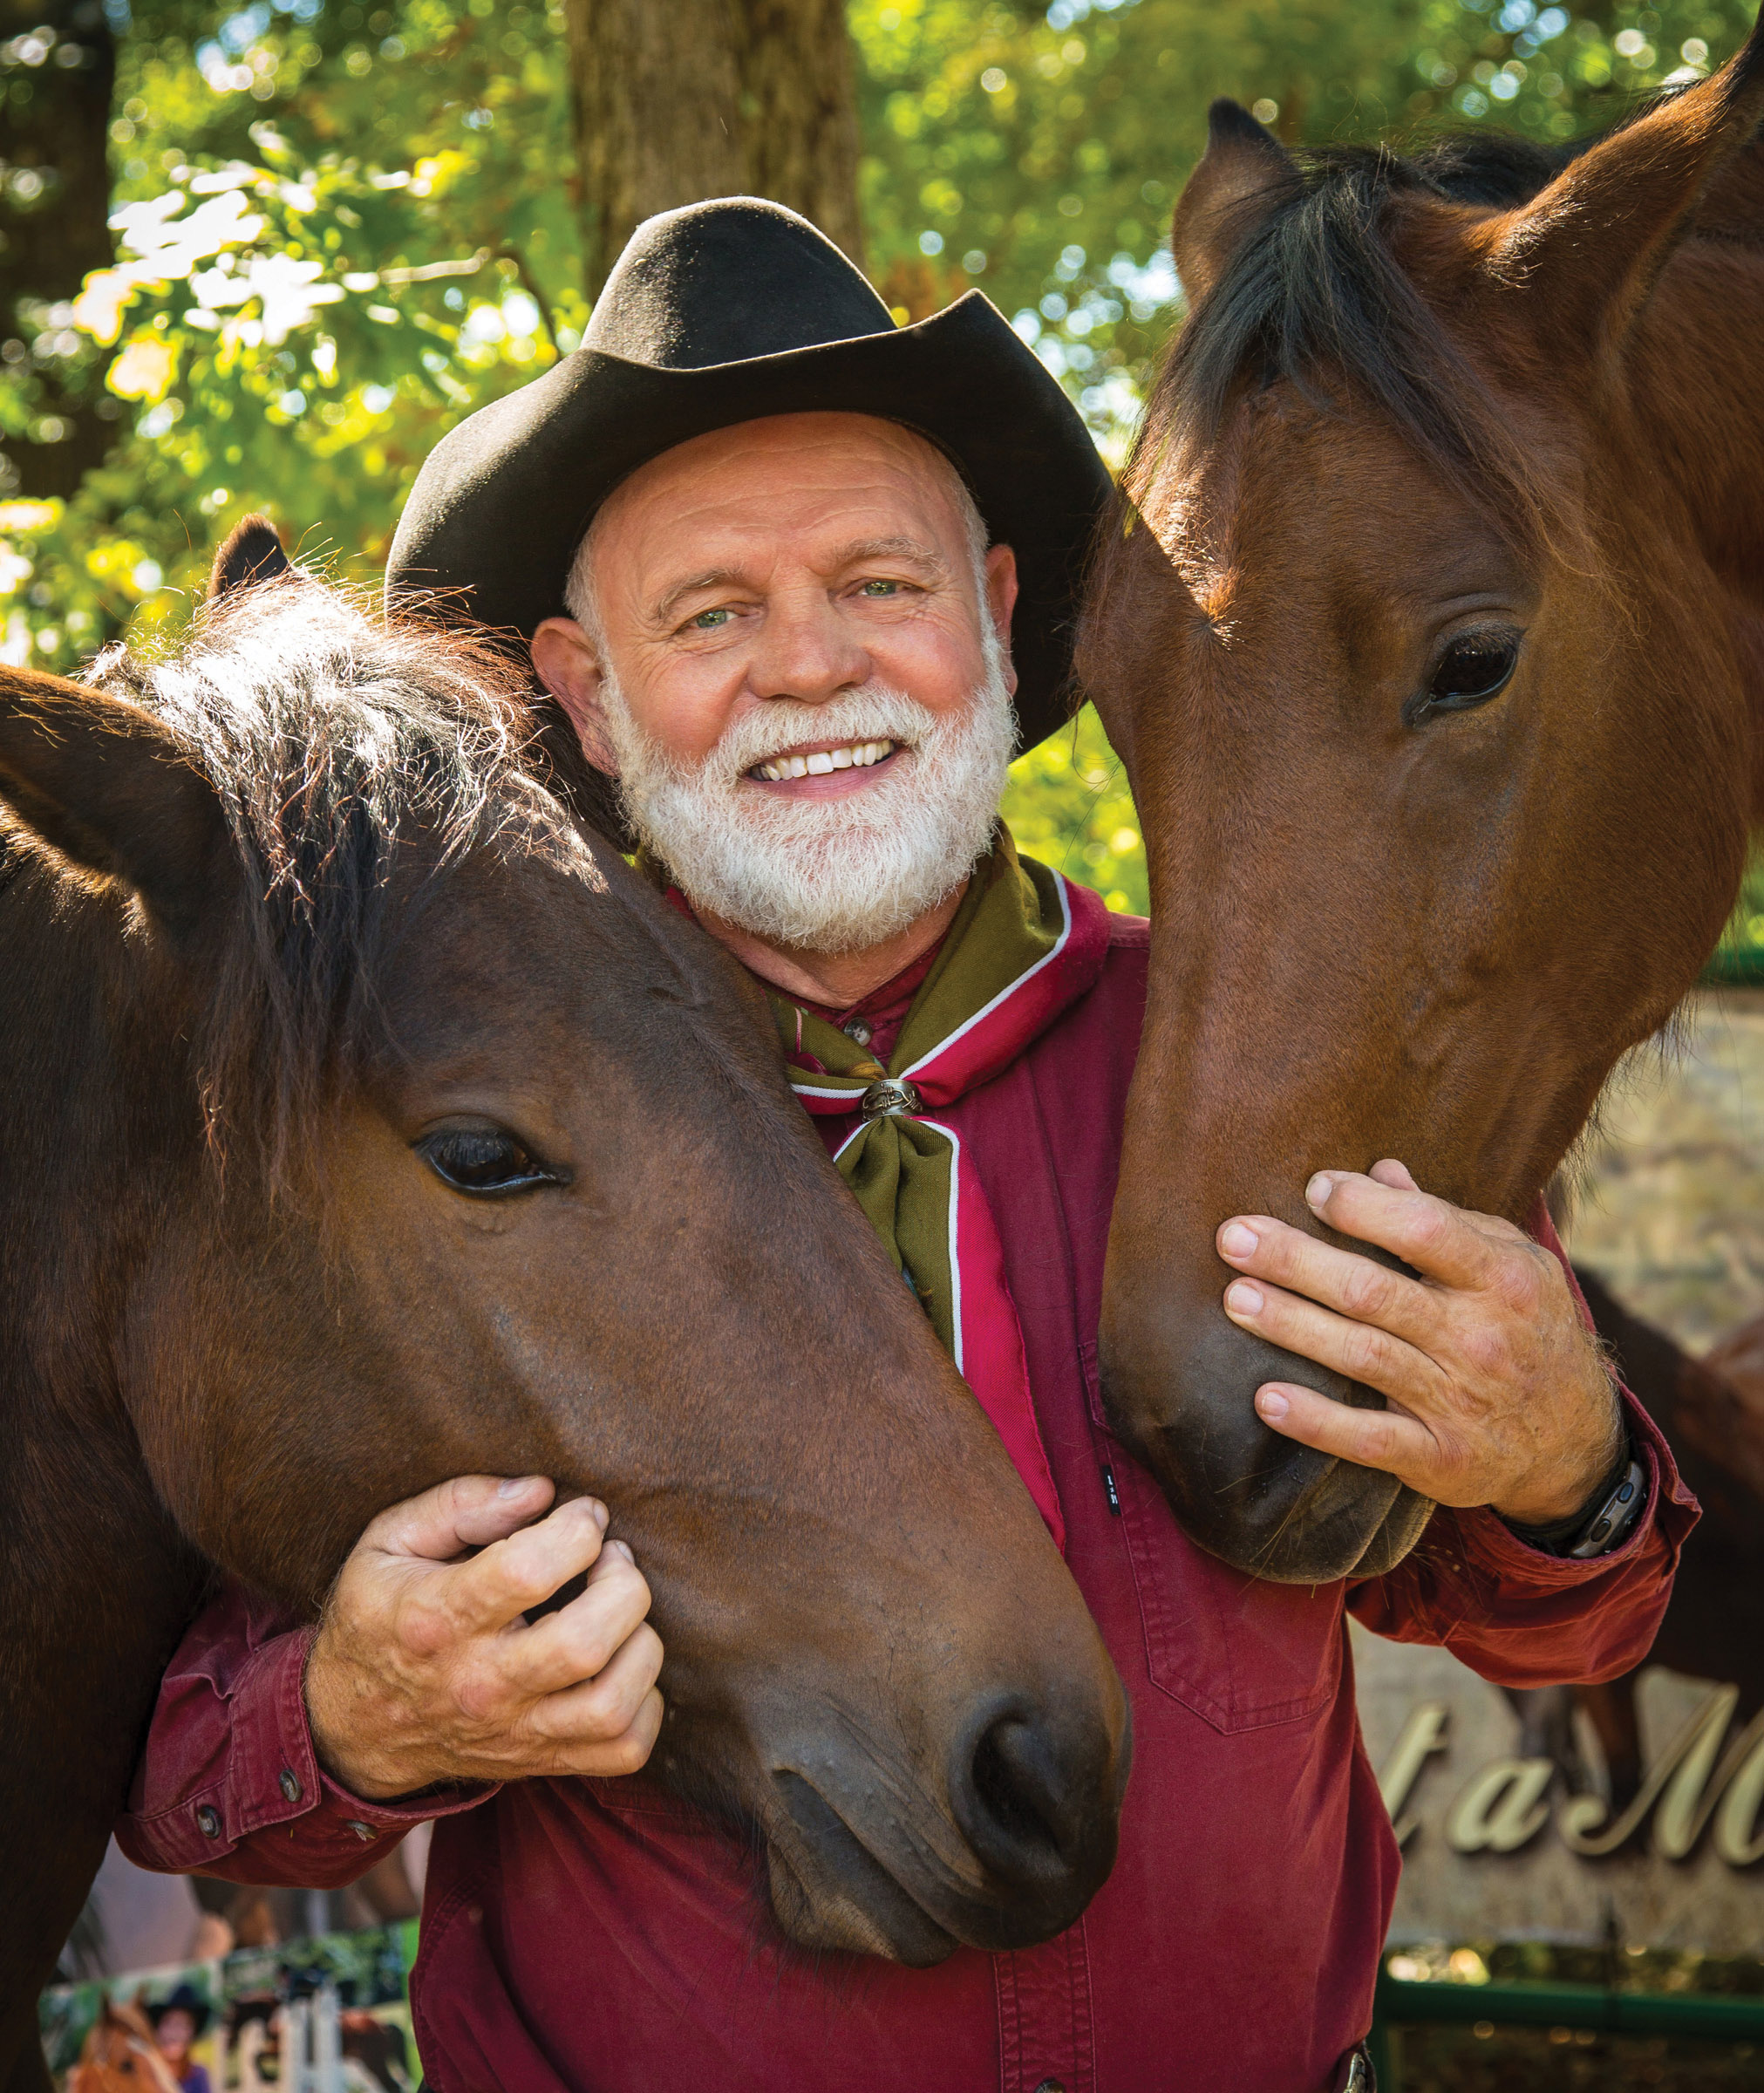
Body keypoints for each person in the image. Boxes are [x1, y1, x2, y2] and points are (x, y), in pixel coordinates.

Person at [117, 200, 1695, 2093]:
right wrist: (354, 1710)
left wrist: (1568, 1472)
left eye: (881, 582)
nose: (810, 666)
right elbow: (183, 1768)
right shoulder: (424, 1139)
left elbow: (1556, 1626)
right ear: (586, 698)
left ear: (1004, 616)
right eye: (712, 615)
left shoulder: (1285, 1061)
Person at [146, 1985, 213, 2093]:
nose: (174, 2033)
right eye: (168, 2023)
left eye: (183, 2025)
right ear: (157, 2028)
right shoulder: (144, 2072)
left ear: (192, 2033)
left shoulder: (198, 2075)